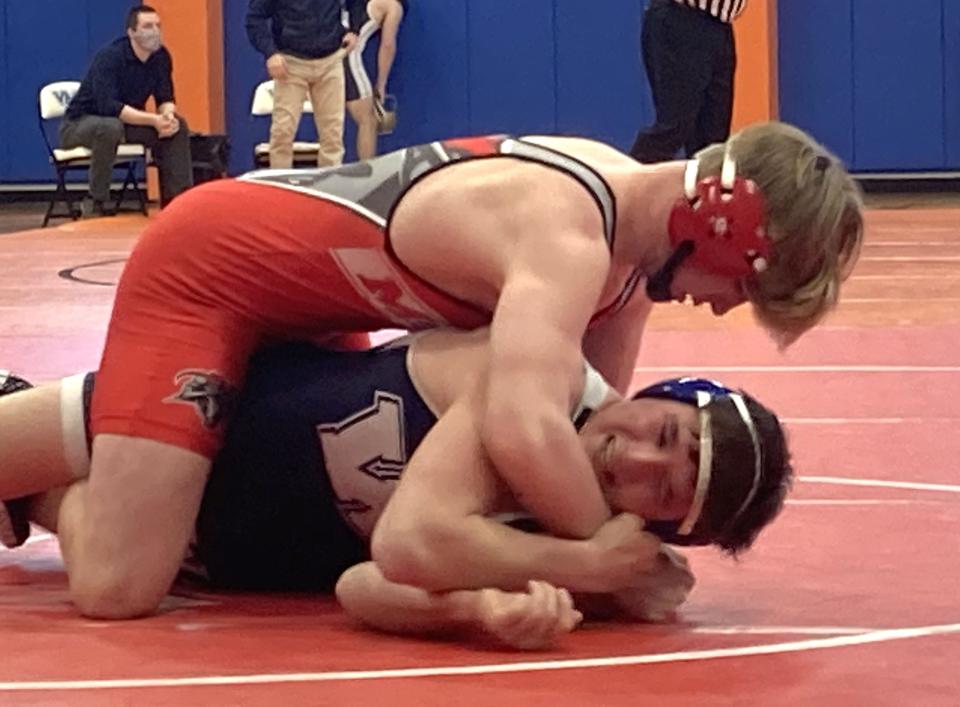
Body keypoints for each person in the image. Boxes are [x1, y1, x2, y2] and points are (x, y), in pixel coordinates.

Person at [29, 121, 859, 620]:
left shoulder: (623, 262)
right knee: (120, 585)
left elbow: (585, 434)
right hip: (212, 274)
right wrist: (601, 563)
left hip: (318, 320)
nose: (720, 307)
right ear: (717, 227)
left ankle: (97, 454)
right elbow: (528, 427)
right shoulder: (570, 235)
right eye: (741, 286)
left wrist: (611, 538)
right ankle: (33, 478)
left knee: (269, 472)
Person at [0, 327, 791, 648]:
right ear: (658, 391)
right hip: (182, 415)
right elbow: (409, 540)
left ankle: (34, 495)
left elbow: (365, 584)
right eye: (666, 434)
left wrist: (474, 610)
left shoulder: (563, 529)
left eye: (664, 493)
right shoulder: (532, 382)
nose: (640, 464)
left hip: (199, 547)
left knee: (102, 548)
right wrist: (587, 566)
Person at [60, 5, 193, 216]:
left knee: (177, 126)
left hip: (125, 124)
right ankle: (96, 200)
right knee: (110, 127)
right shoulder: (110, 57)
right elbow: (109, 107)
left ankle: (178, 202)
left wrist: (167, 116)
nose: (155, 31)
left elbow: (165, 97)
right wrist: (153, 120)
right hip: (80, 124)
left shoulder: (160, 57)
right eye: (148, 26)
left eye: (158, 25)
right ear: (132, 32)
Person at [246, 0, 366, 168]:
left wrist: (355, 30)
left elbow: (356, 3)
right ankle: (281, 187)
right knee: (283, 132)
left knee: (333, 136)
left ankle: (327, 188)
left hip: (330, 60)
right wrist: (270, 53)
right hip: (290, 64)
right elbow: (254, 18)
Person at [630, 0, 746, 163]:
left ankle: (702, 187)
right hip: (681, 17)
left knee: (713, 138)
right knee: (674, 127)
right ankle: (629, 185)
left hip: (720, 23)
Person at [344, 0, 407, 159]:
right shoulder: (392, 5)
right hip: (346, 58)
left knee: (328, 124)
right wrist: (381, 83)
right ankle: (367, 176)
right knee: (368, 120)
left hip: (320, 54)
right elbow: (387, 45)